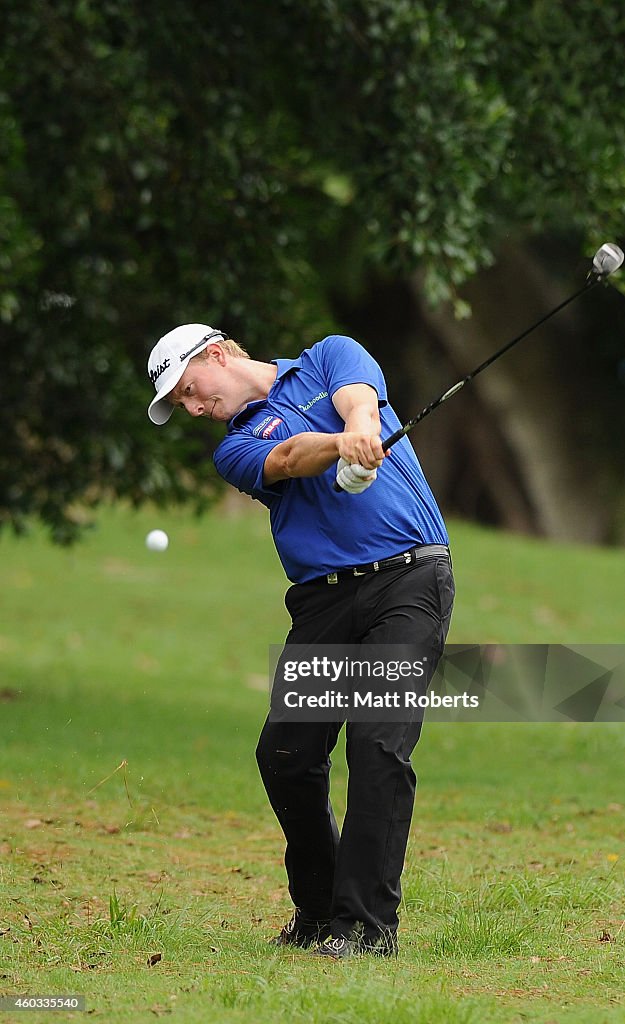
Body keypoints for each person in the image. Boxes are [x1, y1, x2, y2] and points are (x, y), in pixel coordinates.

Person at [147, 323, 454, 958]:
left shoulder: (328, 356)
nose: (194, 408)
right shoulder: (233, 449)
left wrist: (362, 425)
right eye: (181, 405)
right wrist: (344, 444)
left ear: (217, 353)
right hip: (324, 603)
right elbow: (288, 459)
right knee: (285, 755)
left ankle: (366, 930)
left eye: (188, 390)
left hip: (408, 582)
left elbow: (358, 395)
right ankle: (317, 913)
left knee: (376, 748)